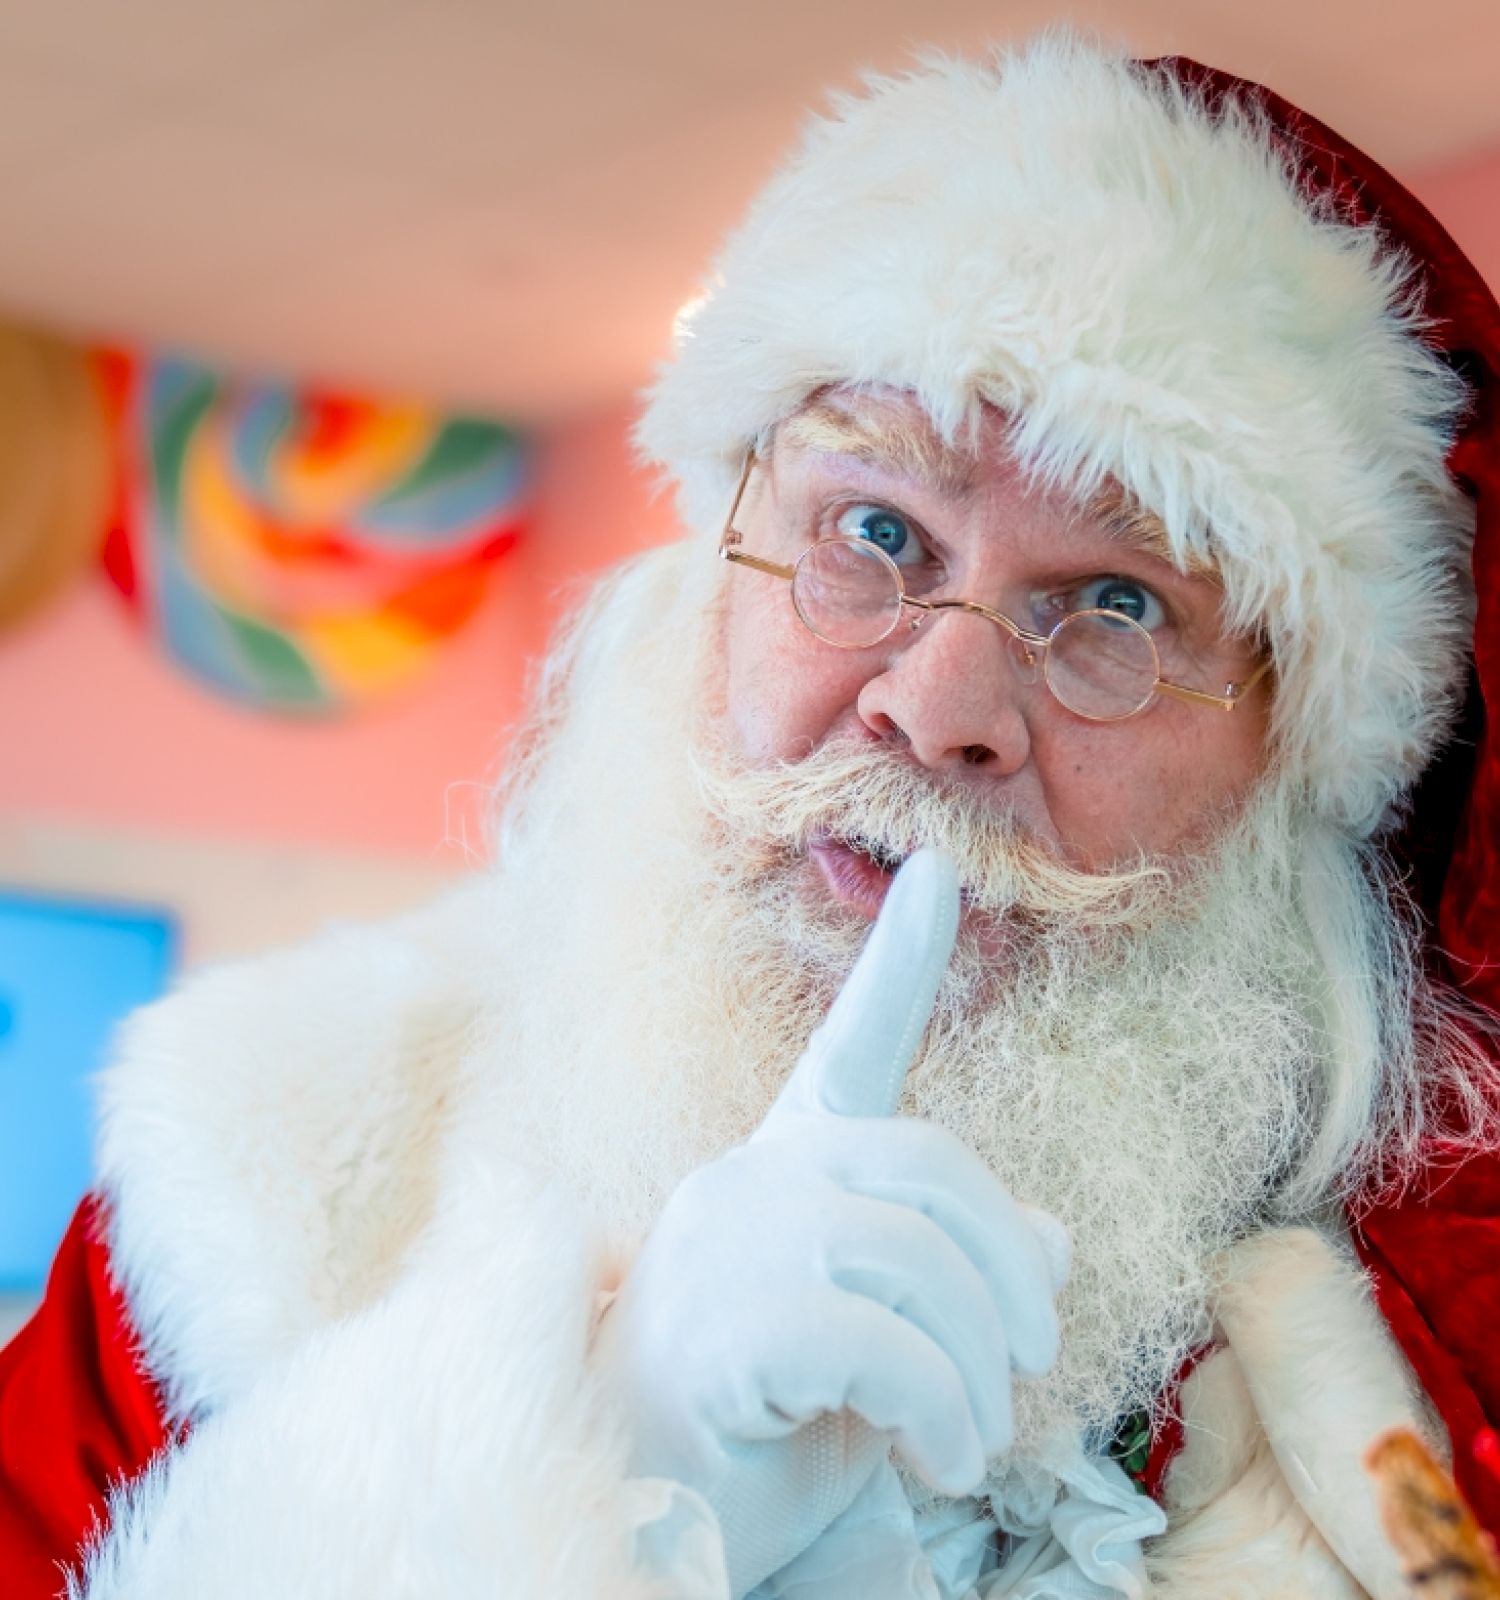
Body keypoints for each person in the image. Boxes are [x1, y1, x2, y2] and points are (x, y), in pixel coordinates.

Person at [3, 31, 1499, 1599]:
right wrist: (593, 1471)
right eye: (875, 528)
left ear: (1290, 778)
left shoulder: (1436, 1396)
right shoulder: (263, 1182)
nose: (937, 706)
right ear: (714, 574)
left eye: (1116, 605)